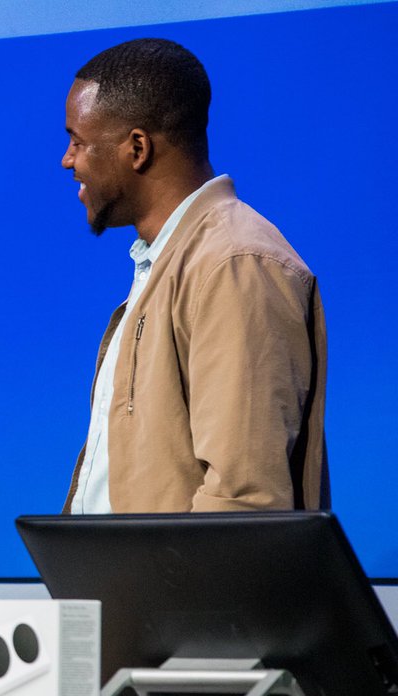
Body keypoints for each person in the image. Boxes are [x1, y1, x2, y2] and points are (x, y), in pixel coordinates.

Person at [60, 38, 329, 514]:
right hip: (129, 588)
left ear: (137, 148)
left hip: (185, 591)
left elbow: (244, 500)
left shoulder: (234, 264)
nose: (68, 159)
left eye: (78, 141)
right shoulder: (170, 263)